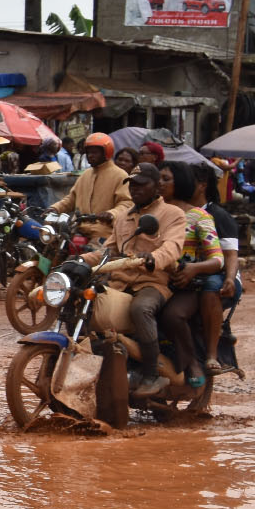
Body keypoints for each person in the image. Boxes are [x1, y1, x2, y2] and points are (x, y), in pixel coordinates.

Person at [83, 163, 186, 397]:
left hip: (152, 283)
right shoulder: (123, 218)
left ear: (157, 185)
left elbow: (172, 247)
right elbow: (107, 251)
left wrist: (153, 258)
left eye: (142, 185)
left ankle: (151, 375)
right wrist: (79, 261)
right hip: (119, 283)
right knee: (86, 302)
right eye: (133, 185)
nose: (136, 190)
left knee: (141, 308)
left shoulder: (172, 214)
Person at [157, 161, 223, 389]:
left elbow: (217, 259)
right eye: (158, 178)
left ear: (181, 183)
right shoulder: (149, 212)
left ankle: (191, 362)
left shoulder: (198, 216)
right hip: (150, 280)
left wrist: (194, 268)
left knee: (172, 316)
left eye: (166, 179)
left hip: (183, 285)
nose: (160, 183)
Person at [192, 162, 243, 376]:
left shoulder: (218, 215)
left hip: (218, 274)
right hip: (188, 273)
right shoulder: (175, 211)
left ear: (202, 185)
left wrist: (230, 279)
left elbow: (231, 255)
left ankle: (211, 354)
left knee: (212, 286)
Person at [50, 132, 132, 216]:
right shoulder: (86, 175)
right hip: (79, 225)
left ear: (106, 153)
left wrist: (111, 214)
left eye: (94, 152)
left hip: (105, 227)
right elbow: (72, 199)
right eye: (88, 152)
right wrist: (55, 208)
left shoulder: (120, 175)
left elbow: (126, 203)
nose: (90, 155)